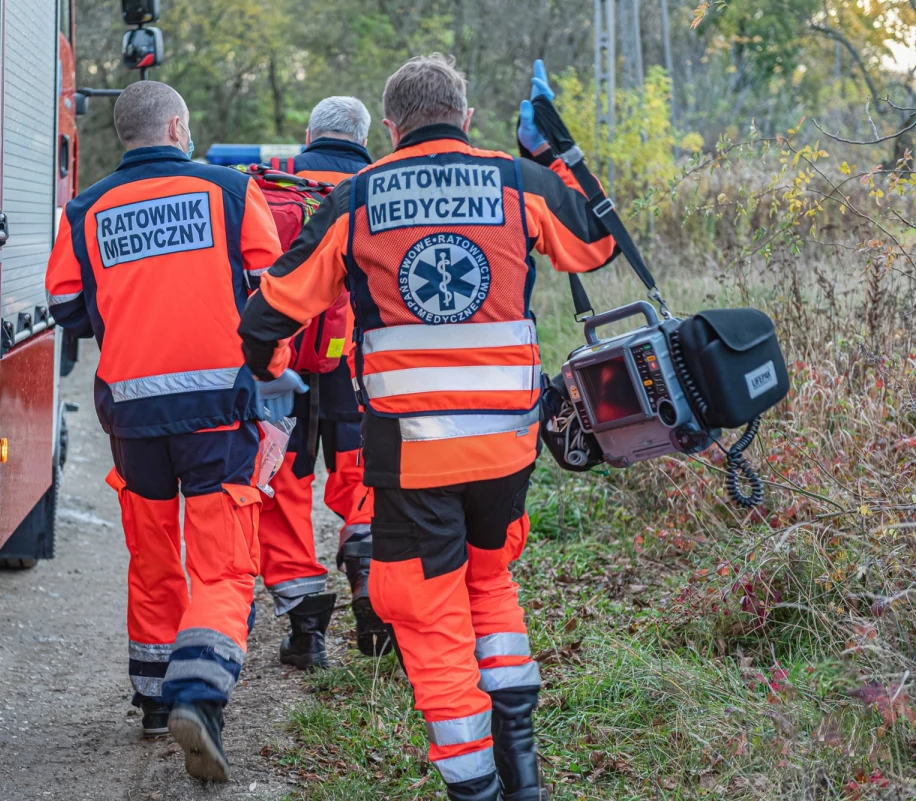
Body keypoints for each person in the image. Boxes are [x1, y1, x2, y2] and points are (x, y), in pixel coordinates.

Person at [238, 56, 617, 801]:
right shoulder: (517, 182)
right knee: (490, 578)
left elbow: (271, 308)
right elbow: (595, 246)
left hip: (414, 455)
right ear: (466, 118)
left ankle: (476, 787)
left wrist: (266, 362)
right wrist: (559, 157)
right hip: (507, 446)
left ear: (391, 128)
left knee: (426, 606)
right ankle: (525, 777)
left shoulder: (360, 196)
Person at [45, 80, 283, 783]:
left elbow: (65, 306)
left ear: (126, 134)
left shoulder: (84, 208)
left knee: (153, 556)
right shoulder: (231, 192)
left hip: (132, 412)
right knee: (222, 564)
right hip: (217, 408)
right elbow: (273, 294)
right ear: (178, 126)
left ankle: (154, 699)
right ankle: (198, 694)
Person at [254, 96, 390, 669]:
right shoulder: (384, 196)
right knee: (364, 478)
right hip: (357, 369)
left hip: (283, 371)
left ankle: (307, 633)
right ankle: (367, 573)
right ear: (365, 138)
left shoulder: (265, 194)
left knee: (283, 491)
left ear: (308, 135)